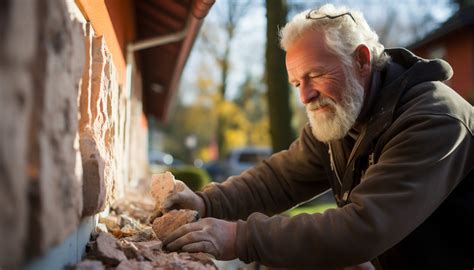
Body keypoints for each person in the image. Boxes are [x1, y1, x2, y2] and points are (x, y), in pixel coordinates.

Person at [162, 4, 474, 269]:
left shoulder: (433, 120)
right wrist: (204, 203)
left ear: (362, 60)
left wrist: (238, 237)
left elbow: (364, 228)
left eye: (316, 75)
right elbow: (279, 180)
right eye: (297, 83)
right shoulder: (343, 116)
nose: (306, 96)